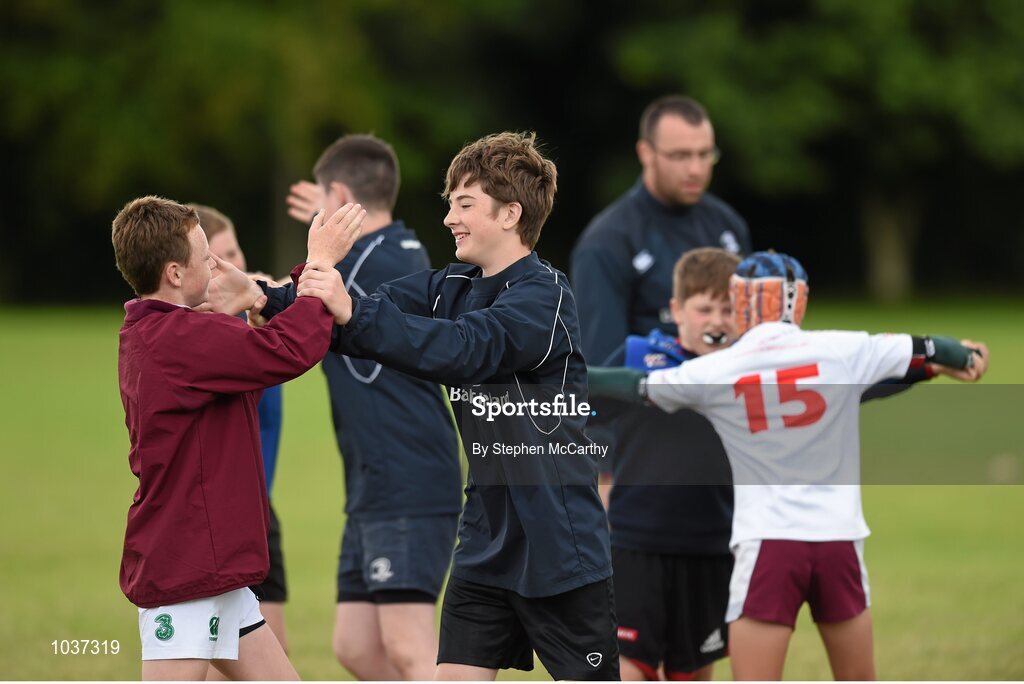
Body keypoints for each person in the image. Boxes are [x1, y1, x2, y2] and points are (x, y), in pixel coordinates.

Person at [258, 132, 619, 681]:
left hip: (558, 545)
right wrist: (264, 297)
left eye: (464, 203)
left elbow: (462, 349)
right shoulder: (453, 284)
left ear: (510, 214)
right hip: (484, 542)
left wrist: (349, 310)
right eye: (449, 202)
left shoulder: (544, 297)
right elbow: (365, 312)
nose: (449, 216)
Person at [589, 251, 990, 680]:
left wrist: (555, 377)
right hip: (839, 541)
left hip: (767, 544)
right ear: (800, 301)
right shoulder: (843, 348)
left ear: (741, 301)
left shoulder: (720, 368)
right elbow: (925, 350)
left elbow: (632, 386)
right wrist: (961, 359)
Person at [112, 195, 364, 680]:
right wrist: (320, 264)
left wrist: (256, 310)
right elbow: (288, 351)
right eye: (205, 256)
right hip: (185, 567)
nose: (218, 263)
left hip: (216, 567)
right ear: (175, 273)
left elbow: (246, 375)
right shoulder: (176, 337)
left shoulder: (168, 333)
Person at [285, 135, 463, 681]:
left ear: (338, 194)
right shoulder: (389, 250)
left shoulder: (373, 263)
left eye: (322, 199)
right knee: (357, 646)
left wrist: (266, 280)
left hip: (406, 478)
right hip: (374, 482)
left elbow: (297, 302)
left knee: (410, 651)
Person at [571, 95, 752, 366]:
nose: (695, 169)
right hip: (653, 401)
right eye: (680, 155)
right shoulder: (607, 242)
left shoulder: (727, 225)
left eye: (705, 154)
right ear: (646, 153)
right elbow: (601, 368)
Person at [189, 204, 292, 661]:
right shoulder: (211, 334)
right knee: (219, 659)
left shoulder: (248, 311)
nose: (238, 263)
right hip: (224, 519)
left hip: (260, 512)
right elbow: (287, 351)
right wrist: (264, 301)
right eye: (222, 255)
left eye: (236, 250)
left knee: (273, 653)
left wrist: (261, 298)